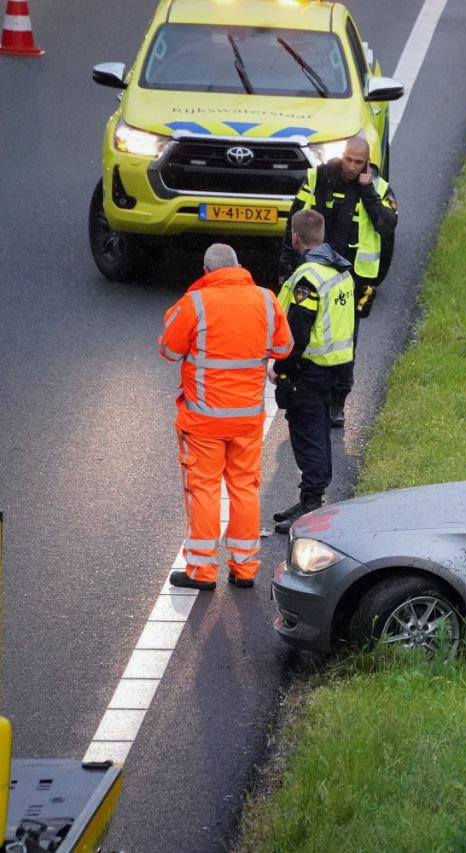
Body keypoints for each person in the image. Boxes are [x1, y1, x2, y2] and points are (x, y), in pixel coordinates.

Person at [159, 243, 293, 590]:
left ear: (206, 273)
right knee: (244, 490)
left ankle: (201, 572)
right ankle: (244, 569)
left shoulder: (195, 304)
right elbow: (283, 348)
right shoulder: (266, 300)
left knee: (203, 490)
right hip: (247, 420)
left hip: (203, 421)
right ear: (239, 267)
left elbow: (168, 349)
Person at [280, 136, 397, 428]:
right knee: (301, 335)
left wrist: (367, 190)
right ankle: (300, 394)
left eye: (359, 163)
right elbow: (292, 225)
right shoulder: (317, 178)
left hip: (351, 283)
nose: (352, 167)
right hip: (312, 276)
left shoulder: (378, 188)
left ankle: (337, 403)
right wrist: (285, 270)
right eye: (349, 160)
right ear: (342, 156)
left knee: (344, 346)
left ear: (367, 163)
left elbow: (386, 226)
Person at [271, 209, 357, 533]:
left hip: (310, 368)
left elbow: (298, 332)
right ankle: (310, 496)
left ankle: (311, 503)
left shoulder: (308, 277)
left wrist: (281, 368)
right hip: (336, 367)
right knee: (319, 430)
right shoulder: (340, 269)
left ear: (296, 237)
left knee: (307, 435)